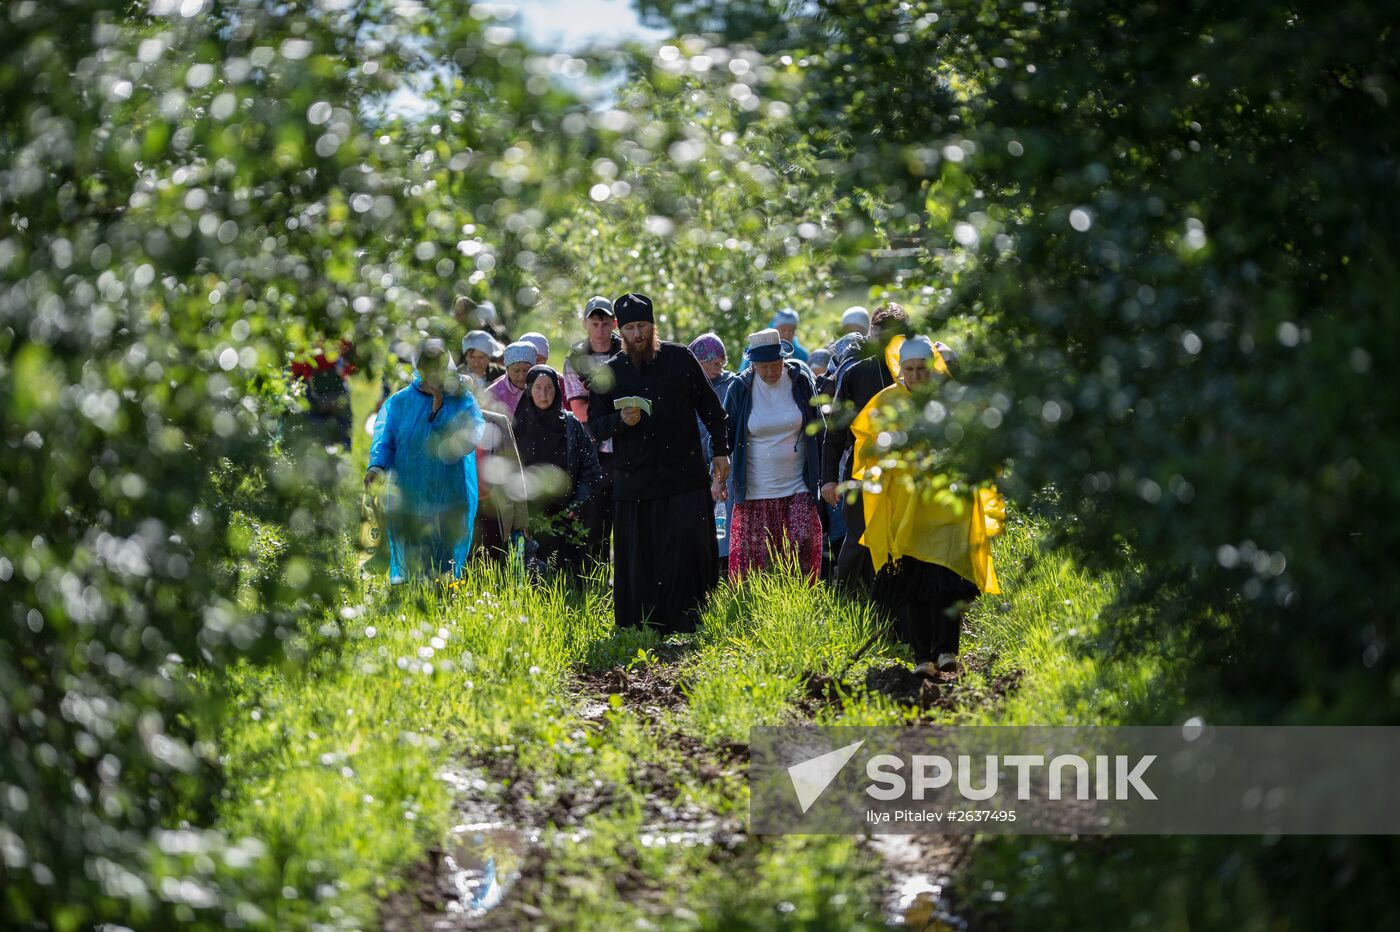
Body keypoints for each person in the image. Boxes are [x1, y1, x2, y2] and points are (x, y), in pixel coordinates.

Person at [851, 336, 1002, 676]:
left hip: (948, 506)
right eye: (910, 370)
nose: (917, 376)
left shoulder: (950, 399)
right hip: (907, 509)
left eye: (922, 369)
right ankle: (923, 658)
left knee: (949, 576)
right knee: (914, 582)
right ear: (899, 369)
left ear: (932, 367)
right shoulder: (885, 402)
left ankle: (948, 651)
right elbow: (867, 453)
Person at [588, 293, 730, 633]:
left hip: (684, 476)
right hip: (636, 481)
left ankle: (692, 619)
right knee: (643, 557)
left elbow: (713, 411)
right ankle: (643, 624)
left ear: (653, 326)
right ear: (621, 332)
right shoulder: (609, 373)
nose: (638, 334)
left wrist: (721, 451)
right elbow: (595, 426)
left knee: (685, 548)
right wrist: (621, 420)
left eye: (643, 326)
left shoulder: (681, 359)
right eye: (631, 328)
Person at [365, 339, 484, 583]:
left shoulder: (462, 400)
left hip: (450, 489)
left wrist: (440, 409)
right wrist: (376, 466)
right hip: (410, 489)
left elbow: (471, 437)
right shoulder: (400, 402)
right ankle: (410, 593)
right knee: (411, 540)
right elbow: (385, 439)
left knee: (444, 545)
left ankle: (442, 593)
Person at [821, 302, 913, 590]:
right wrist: (827, 480)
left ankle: (894, 606)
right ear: (871, 335)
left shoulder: (917, 372)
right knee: (861, 537)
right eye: (881, 336)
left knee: (901, 540)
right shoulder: (855, 374)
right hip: (862, 471)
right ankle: (843, 601)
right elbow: (834, 433)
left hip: (907, 471)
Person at [722, 329, 824, 581]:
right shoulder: (741, 387)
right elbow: (724, 436)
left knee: (802, 544)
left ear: (783, 360)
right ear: (753, 364)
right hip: (756, 489)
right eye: (763, 366)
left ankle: (800, 605)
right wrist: (719, 478)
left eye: (775, 365)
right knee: (757, 562)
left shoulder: (799, 381)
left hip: (798, 484)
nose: (769, 372)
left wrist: (825, 473)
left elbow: (818, 425)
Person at [513, 366, 602, 584]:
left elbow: (591, 471)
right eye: (537, 388)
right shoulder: (516, 427)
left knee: (568, 581)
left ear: (557, 390)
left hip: (567, 520)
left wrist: (577, 505)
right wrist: (519, 513)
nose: (543, 395)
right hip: (530, 520)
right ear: (528, 391)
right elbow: (507, 474)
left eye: (549, 388)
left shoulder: (572, 426)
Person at [563, 296, 622, 568]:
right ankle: (595, 580)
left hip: (625, 447)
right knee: (594, 521)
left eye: (605, 323)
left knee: (627, 521)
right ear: (585, 324)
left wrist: (597, 392)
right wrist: (613, 400)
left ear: (614, 323)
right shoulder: (576, 359)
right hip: (593, 451)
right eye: (595, 323)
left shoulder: (626, 352)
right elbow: (581, 410)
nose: (600, 329)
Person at [462, 374, 529, 566]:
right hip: (460, 505)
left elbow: (514, 471)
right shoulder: (443, 427)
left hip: (492, 507)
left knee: (490, 562)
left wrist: (521, 520)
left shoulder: (497, 422)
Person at [689, 332, 740, 562]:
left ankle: (725, 565)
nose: (719, 367)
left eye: (721, 362)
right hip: (694, 466)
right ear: (698, 363)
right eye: (712, 363)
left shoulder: (732, 385)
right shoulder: (688, 387)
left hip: (724, 465)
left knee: (725, 521)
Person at [289, 339, 358, 447]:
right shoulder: (312, 338)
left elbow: (352, 362)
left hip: (330, 388)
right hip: (321, 388)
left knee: (331, 421)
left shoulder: (335, 337)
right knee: (325, 421)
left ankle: (334, 446)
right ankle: (330, 446)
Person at [739, 307, 809, 371]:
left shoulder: (802, 354)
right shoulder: (757, 350)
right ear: (774, 328)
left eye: (791, 331)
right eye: (783, 330)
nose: (787, 334)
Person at [487, 340, 537, 415]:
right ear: (507, 369)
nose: (521, 376)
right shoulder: (493, 393)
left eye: (526, 370)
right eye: (516, 371)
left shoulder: (542, 387)